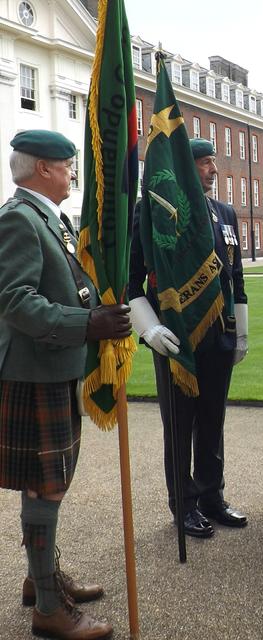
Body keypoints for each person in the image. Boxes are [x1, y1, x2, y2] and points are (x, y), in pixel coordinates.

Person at [0, 129, 132, 640]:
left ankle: (41, 580)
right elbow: (14, 300)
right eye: (68, 166)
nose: (73, 173)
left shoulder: (44, 218)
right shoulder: (19, 218)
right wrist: (87, 324)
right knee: (46, 486)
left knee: (48, 482)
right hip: (34, 371)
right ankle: (49, 611)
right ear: (44, 170)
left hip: (50, 367)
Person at [129, 138, 248, 538]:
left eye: (214, 162)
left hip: (219, 336)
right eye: (205, 163)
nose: (214, 170)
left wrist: (242, 332)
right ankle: (183, 504)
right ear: (184, 166)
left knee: (213, 421)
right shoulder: (153, 212)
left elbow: (236, 278)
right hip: (176, 338)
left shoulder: (225, 213)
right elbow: (130, 284)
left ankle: (213, 495)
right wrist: (149, 328)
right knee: (180, 425)